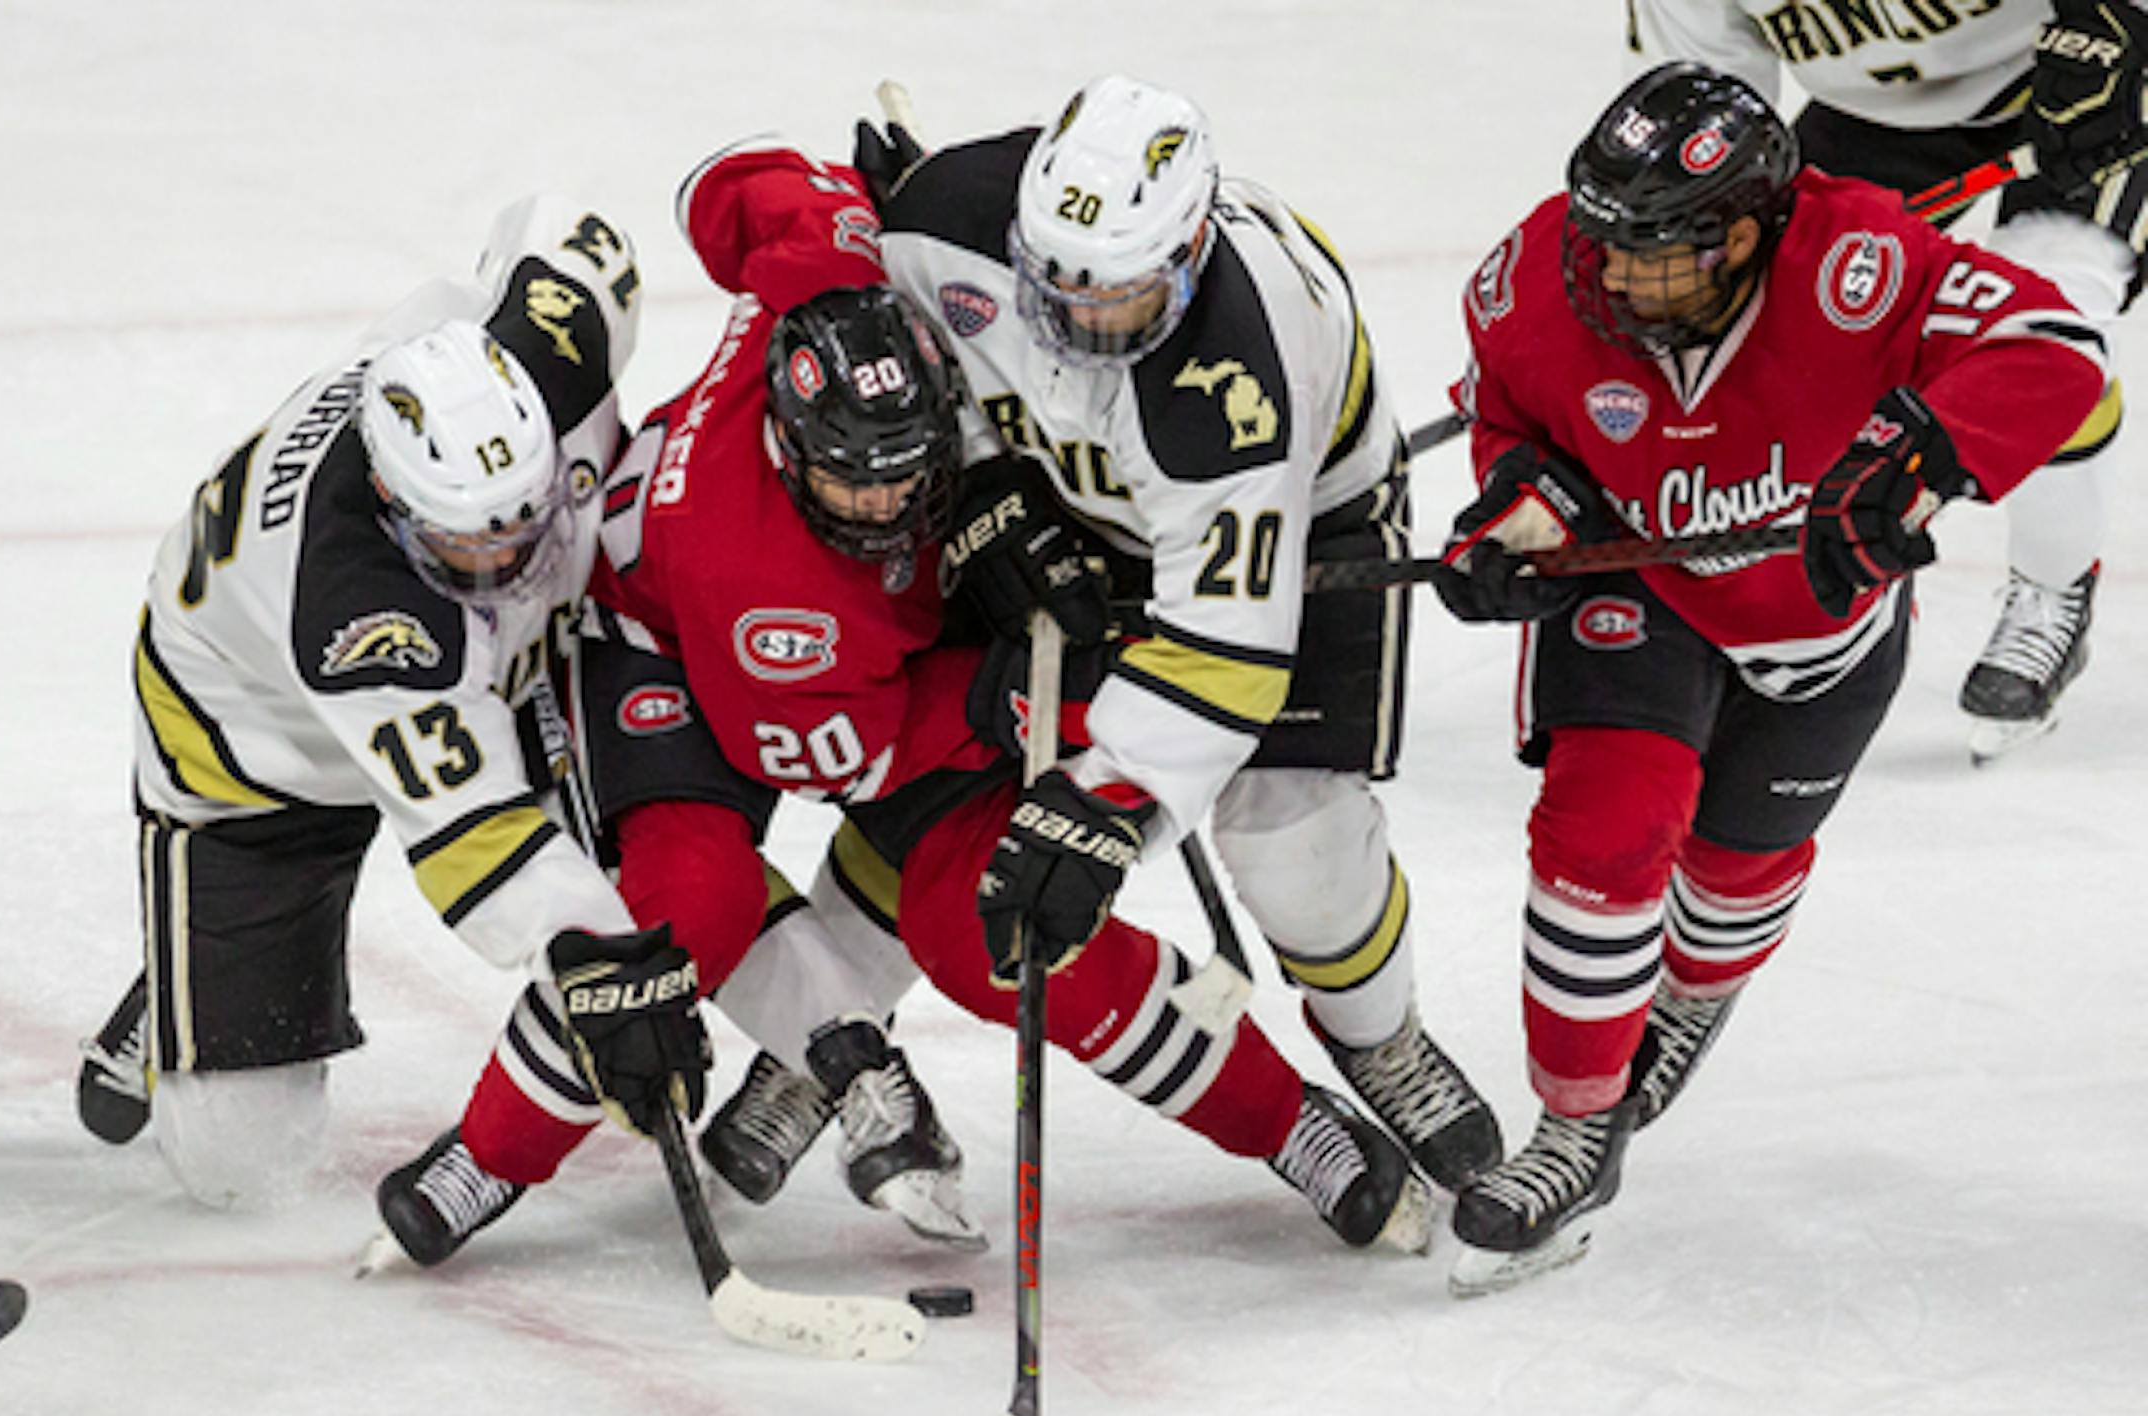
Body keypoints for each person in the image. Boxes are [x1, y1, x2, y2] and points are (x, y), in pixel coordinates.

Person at [548, 134, 1435, 1255]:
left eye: (910, 474)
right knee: (959, 910)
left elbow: (728, 184)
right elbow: (853, 760)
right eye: (852, 484)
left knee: (1019, 918)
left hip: (913, 634)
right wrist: (1017, 699)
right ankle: (828, 1047)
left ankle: (1294, 1110)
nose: (884, 506)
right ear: (787, 443)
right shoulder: (759, 573)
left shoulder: (863, 286)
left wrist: (855, 227)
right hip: (704, 663)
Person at [1427, 61, 2104, 1295]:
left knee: (1738, 865)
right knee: (1605, 829)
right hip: (1638, 596)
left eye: (1657, 252)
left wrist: (1920, 456)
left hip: (1820, 627)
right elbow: (1512, 427)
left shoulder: (1862, 262)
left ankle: (1692, 990)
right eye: (1606, 240)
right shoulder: (1533, 279)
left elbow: (2058, 348)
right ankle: (1577, 1125)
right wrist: (1514, 513)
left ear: (1745, 232)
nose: (1617, 275)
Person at [849, 74, 1504, 1196]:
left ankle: (1377, 1033)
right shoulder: (942, 225)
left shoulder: (1235, 381)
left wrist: (1107, 807)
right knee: (935, 749)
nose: (1078, 323)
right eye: (1054, 287)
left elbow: (1222, 645)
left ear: (1191, 251)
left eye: (1118, 302)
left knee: (1291, 834)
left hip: (1299, 520)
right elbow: (911, 370)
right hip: (1076, 497)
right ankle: (825, 1008)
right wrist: (984, 489)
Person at [69, 194, 684, 1209]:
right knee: (238, 1165)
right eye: (468, 545)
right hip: (250, 753)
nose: (505, 560)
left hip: (458, 680)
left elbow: (575, 238)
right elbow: (475, 837)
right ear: (397, 506)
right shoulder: (360, 613)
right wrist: (604, 968)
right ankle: (178, 983)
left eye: (522, 522)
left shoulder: (539, 362)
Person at [1628, 0, 2143, 760]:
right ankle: (1756, 597)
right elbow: (1705, 113)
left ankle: (2053, 583)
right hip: (1882, 114)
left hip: (2076, 75)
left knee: (2048, 339)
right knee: (1765, 327)